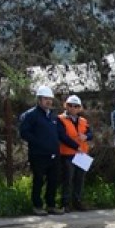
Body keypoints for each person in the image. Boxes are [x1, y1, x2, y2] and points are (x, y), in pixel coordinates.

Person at [19, 85, 79, 215]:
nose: (48, 101)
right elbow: (24, 133)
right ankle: (37, 206)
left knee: (53, 180)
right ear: (39, 100)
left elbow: (61, 135)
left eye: (50, 99)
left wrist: (76, 146)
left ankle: (51, 205)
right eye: (45, 99)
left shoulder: (53, 117)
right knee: (39, 180)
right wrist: (38, 143)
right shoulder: (31, 115)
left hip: (54, 154)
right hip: (38, 154)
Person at [57, 95, 92, 212]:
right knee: (67, 179)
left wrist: (86, 136)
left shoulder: (83, 121)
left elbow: (90, 134)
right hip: (68, 154)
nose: (73, 108)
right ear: (66, 106)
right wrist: (76, 146)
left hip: (82, 154)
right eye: (70, 105)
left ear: (80, 108)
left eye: (76, 106)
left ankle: (77, 202)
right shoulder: (60, 119)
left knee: (80, 179)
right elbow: (62, 137)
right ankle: (65, 204)